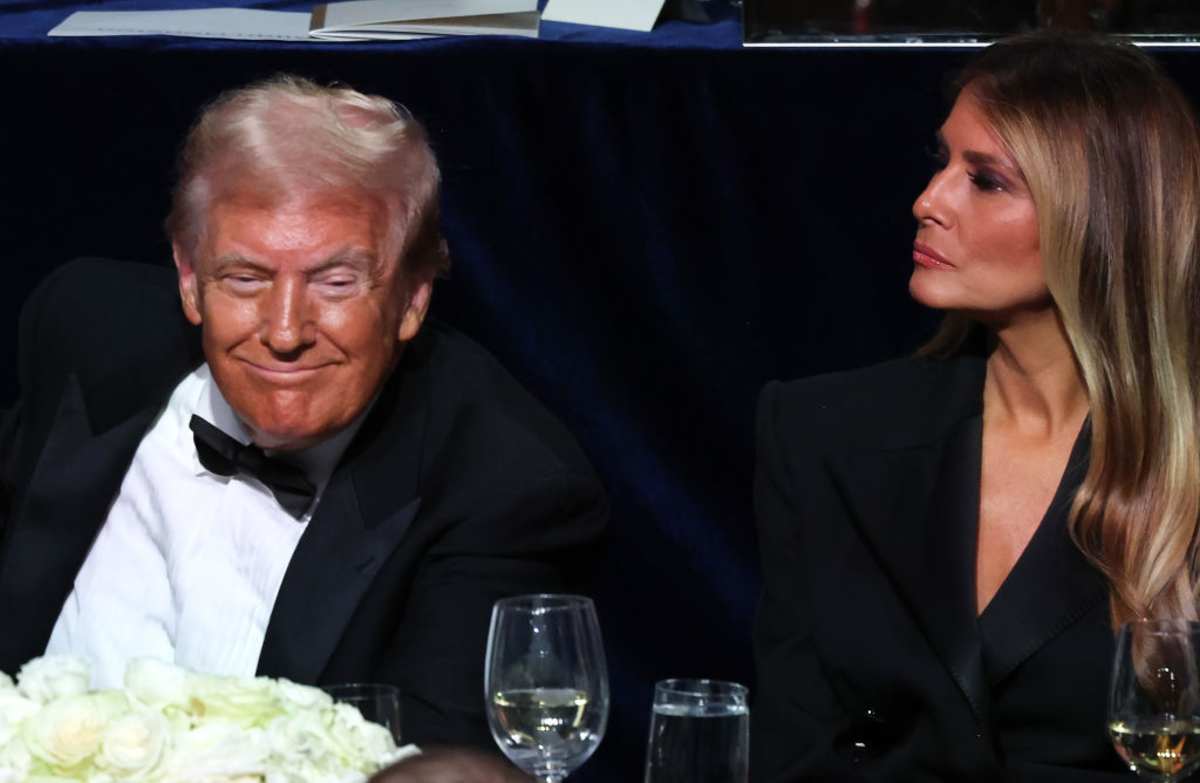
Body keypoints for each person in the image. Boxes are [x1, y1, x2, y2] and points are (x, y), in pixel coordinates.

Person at [0, 75, 607, 751]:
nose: (285, 330)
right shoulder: (85, 334)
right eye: (246, 277)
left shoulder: (500, 483)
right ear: (188, 278)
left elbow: (429, 766)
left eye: (335, 281)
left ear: (411, 297)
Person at [751, 32, 1200, 781]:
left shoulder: (1184, 461)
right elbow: (793, 746)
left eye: (986, 181)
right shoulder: (820, 432)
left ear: (1097, 222)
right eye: (942, 164)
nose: (928, 202)